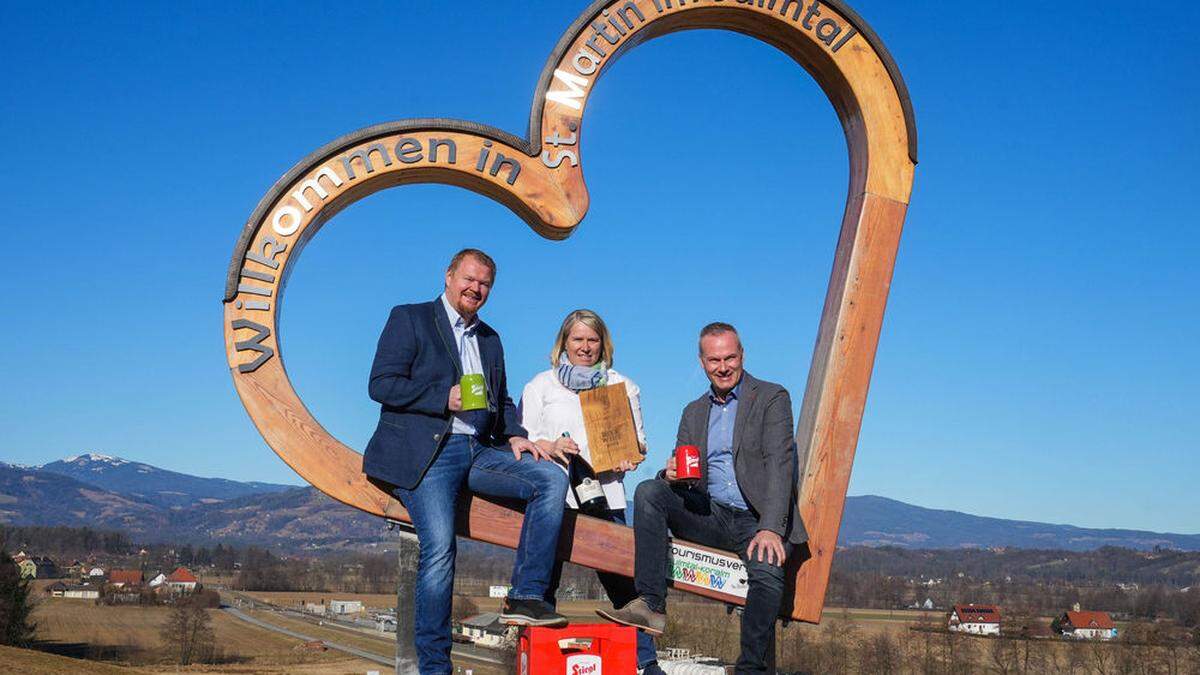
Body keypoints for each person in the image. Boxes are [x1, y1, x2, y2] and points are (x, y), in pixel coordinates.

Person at [362, 248, 570, 675]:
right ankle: (436, 667)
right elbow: (381, 384)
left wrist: (514, 434)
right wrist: (443, 397)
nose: (476, 289)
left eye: (484, 284)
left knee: (550, 478)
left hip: (478, 449)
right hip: (429, 454)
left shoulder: (490, 339)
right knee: (440, 550)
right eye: (469, 279)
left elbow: (503, 399)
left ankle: (527, 595)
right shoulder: (411, 318)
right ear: (449, 275)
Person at [598, 322, 807, 674]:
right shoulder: (693, 412)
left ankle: (751, 668)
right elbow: (685, 473)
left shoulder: (771, 398)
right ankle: (650, 603)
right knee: (649, 490)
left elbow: (781, 466)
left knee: (768, 574)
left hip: (755, 519)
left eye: (730, 358)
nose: (723, 367)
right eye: (714, 360)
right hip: (709, 513)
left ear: (742, 356)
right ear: (702, 363)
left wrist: (771, 528)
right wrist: (670, 476)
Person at [518, 309, 662, 673]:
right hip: (553, 500)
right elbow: (521, 440)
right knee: (543, 584)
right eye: (578, 339)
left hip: (606, 497)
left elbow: (640, 443)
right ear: (563, 342)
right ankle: (535, 661)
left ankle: (646, 662)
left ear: (604, 344)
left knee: (623, 587)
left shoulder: (622, 386)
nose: (585, 347)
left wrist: (628, 456)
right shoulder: (541, 386)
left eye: (592, 340)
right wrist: (550, 446)